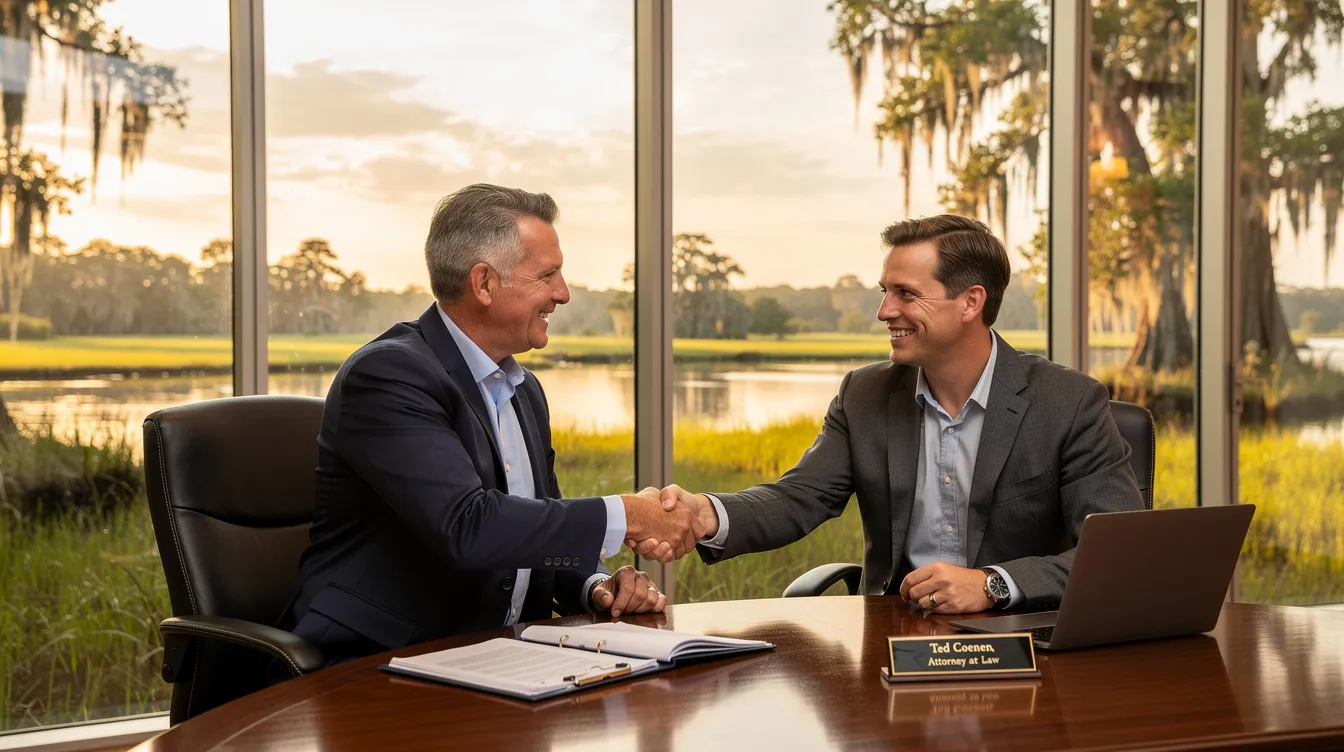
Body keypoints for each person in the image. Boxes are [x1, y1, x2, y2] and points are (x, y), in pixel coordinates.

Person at [280, 184, 700, 663]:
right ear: (483, 284)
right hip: (373, 664)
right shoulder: (388, 376)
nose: (562, 294)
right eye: (548, 275)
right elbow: (468, 527)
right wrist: (628, 512)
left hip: (497, 662)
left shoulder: (525, 390)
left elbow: (537, 534)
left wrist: (595, 583)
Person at [650, 215, 1144, 614]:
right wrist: (706, 513)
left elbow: (1119, 552)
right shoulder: (864, 393)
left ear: (971, 301)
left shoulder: (1069, 401)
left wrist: (993, 584)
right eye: (884, 291)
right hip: (894, 633)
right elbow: (799, 497)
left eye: (906, 294)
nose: (885, 311)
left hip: (1020, 635)